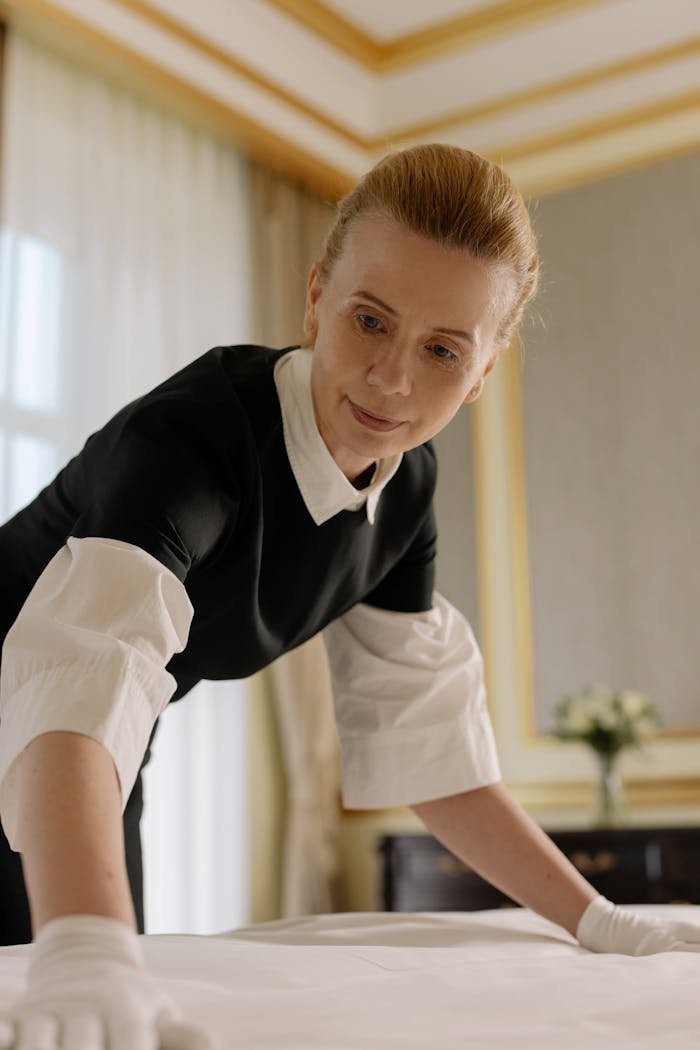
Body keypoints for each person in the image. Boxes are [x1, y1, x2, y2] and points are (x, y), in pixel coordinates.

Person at [0, 143, 698, 1049]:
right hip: (57, 730)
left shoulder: (404, 495)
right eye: (370, 320)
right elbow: (78, 679)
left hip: (88, 758)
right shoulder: (192, 440)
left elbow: (434, 750)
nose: (394, 380)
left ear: (484, 373)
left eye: (444, 349)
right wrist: (84, 946)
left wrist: (597, 918)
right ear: (317, 296)